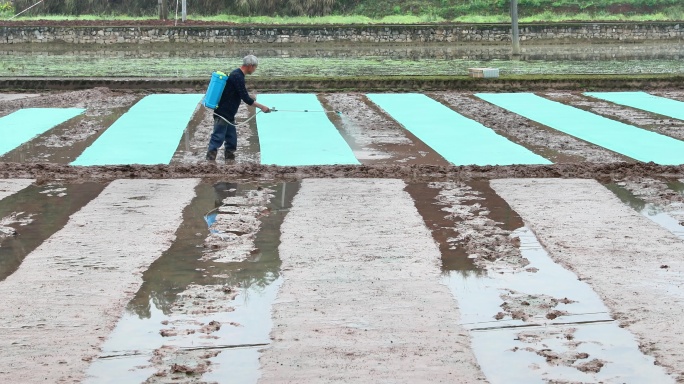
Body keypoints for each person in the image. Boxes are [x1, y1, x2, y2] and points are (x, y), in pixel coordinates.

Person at [206, 55, 271, 161]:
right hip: (223, 113)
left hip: (229, 114)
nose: (255, 70)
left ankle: (230, 161)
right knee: (218, 137)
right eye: (255, 67)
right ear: (250, 66)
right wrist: (262, 107)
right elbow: (246, 98)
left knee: (232, 140)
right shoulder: (237, 76)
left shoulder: (237, 74)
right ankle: (209, 162)